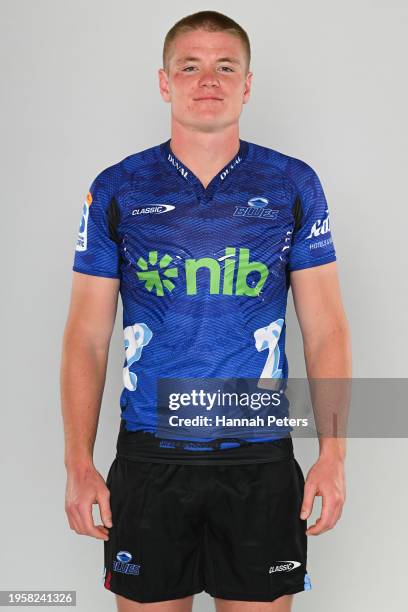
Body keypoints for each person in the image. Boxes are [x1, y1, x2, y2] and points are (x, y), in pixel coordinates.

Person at [61, 10, 351, 612]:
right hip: (148, 454)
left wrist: (333, 454)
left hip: (260, 456)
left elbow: (325, 326)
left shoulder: (293, 183)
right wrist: (78, 464)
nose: (208, 80)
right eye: (189, 66)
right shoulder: (117, 188)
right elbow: (86, 337)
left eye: (226, 66)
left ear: (247, 84)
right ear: (164, 83)